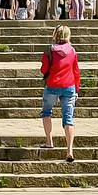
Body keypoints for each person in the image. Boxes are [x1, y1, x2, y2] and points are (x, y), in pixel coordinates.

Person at [40, 24, 81, 162]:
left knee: (46, 112)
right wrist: (77, 88)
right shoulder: (72, 51)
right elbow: (76, 71)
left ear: (55, 35)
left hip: (52, 85)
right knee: (68, 118)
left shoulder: (49, 50)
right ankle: (69, 150)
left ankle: (49, 141)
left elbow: (44, 68)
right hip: (69, 86)